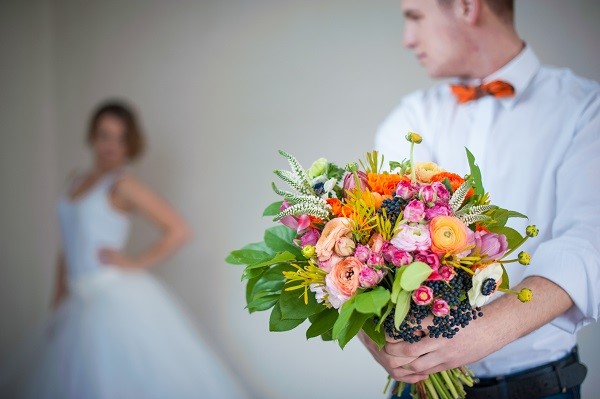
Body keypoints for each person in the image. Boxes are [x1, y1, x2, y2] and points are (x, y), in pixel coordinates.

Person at [359, 1, 599, 398]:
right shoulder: (412, 117)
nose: (407, 39)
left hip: (539, 387)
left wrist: (483, 330)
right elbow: (375, 237)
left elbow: (589, 242)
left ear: (468, 7)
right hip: (416, 388)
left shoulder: (585, 109)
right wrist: (376, 339)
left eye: (415, 16)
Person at [0, 101, 248, 399]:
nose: (111, 146)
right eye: (105, 135)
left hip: (112, 297)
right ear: (93, 137)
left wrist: (135, 263)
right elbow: (66, 248)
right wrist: (56, 303)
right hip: (77, 302)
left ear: (130, 144)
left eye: (120, 138)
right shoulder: (74, 181)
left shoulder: (123, 185)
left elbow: (179, 230)